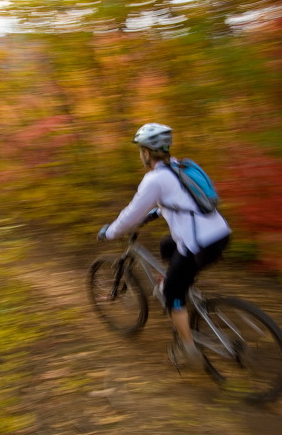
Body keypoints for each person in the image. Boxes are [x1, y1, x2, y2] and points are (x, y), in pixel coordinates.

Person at [97, 123, 231, 369]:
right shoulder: (182, 166)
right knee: (166, 245)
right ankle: (180, 283)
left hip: (199, 245)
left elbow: (130, 216)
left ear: (147, 153)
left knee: (171, 296)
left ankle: (188, 347)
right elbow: (188, 199)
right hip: (220, 234)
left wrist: (110, 233)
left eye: (141, 151)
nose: (141, 155)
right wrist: (159, 210)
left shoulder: (154, 179)